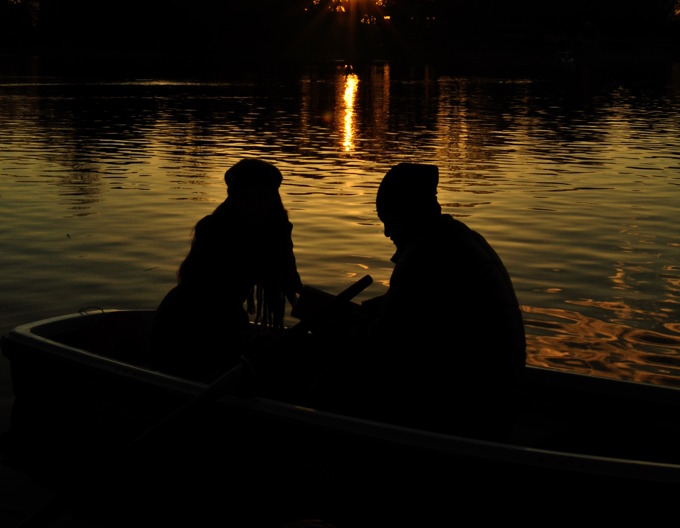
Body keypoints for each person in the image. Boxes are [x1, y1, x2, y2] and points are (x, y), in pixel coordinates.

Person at [315, 162, 526, 439]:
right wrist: (372, 309)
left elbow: (384, 346)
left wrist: (334, 323)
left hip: (472, 408)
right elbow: (426, 308)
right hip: (499, 394)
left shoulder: (424, 254)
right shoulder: (459, 238)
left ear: (407, 214)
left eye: (388, 220)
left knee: (334, 374)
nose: (386, 233)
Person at [149, 158, 303, 382]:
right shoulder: (213, 231)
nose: (255, 204)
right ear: (234, 199)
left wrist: (320, 323)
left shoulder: (274, 233)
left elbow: (290, 286)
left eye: (263, 196)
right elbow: (209, 299)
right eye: (246, 196)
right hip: (185, 327)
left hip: (225, 326)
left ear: (273, 200)